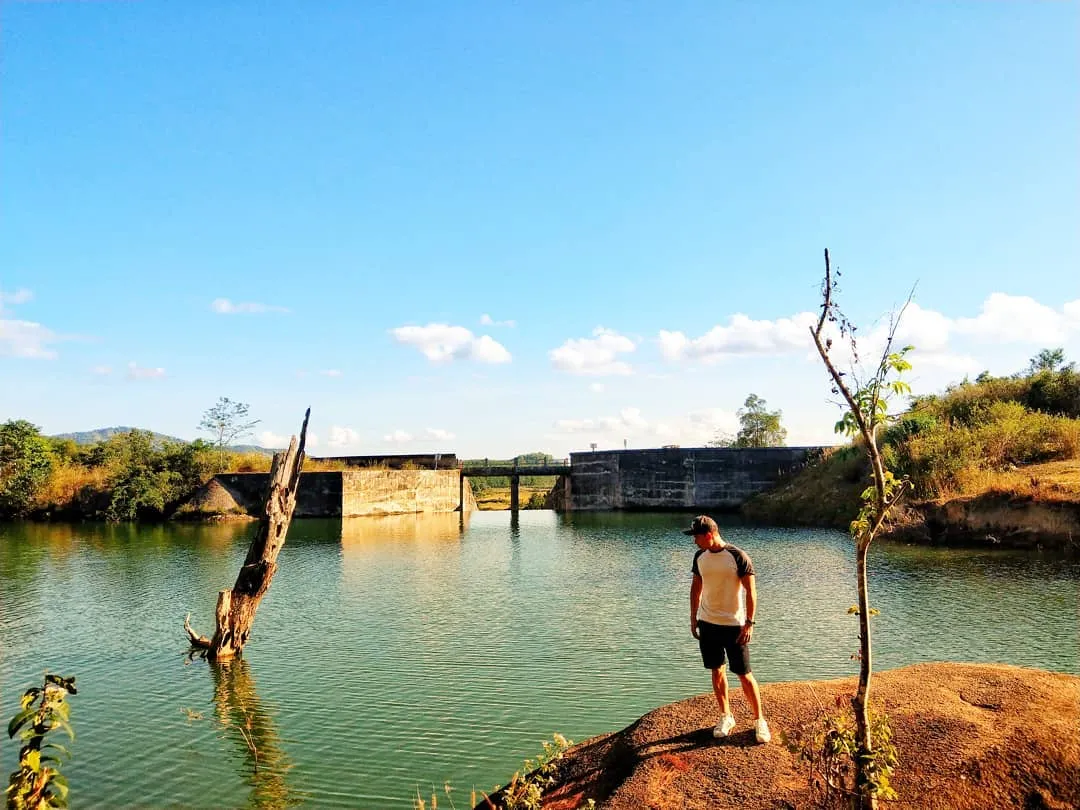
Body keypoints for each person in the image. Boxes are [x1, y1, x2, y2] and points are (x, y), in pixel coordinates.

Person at [685, 514, 771, 743]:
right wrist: (693, 618)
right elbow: (696, 588)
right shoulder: (699, 556)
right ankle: (726, 716)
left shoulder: (737, 556)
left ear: (709, 535)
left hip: (734, 625)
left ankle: (759, 720)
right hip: (708, 623)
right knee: (717, 670)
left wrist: (750, 622)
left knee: (744, 674)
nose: (694, 541)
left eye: (697, 537)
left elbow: (751, 592)